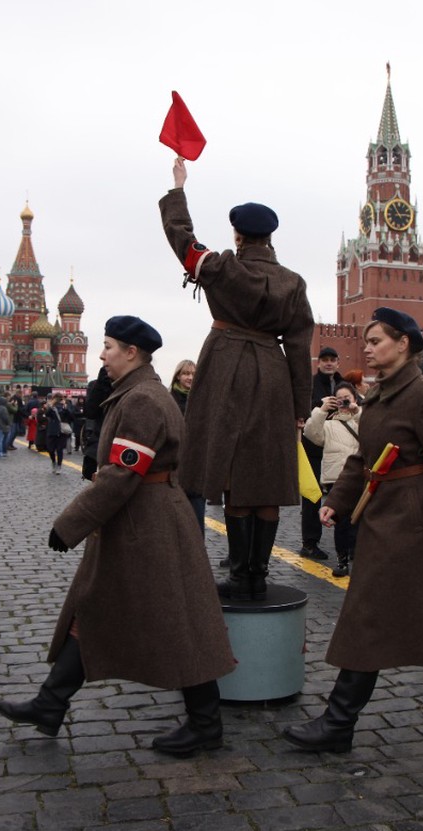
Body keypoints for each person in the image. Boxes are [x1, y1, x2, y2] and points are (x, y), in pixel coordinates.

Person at [0, 316, 236, 756]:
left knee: (174, 619)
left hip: (148, 525)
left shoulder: (142, 400)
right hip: (138, 522)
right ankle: (50, 704)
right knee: (93, 608)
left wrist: (70, 523)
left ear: (131, 352)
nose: (101, 355)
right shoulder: (133, 394)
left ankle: (206, 722)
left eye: (107, 347)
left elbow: (123, 473)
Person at [282, 308, 423, 753]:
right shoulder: (380, 398)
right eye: (366, 340)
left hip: (412, 522)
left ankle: (339, 722)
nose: (367, 347)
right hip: (390, 515)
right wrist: (336, 503)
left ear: (404, 343)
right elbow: (364, 459)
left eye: (377, 340)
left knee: (368, 614)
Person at [160, 156, 315, 600]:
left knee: (229, 470)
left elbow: (181, 239)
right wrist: (299, 409)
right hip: (271, 373)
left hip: (225, 366)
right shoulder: (293, 282)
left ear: (238, 235)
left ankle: (238, 572)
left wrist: (178, 188)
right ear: (270, 237)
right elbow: (300, 346)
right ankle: (257, 574)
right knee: (264, 474)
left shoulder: (221, 266)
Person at [302, 381, 362, 577]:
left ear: (354, 399)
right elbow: (311, 433)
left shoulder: (361, 422)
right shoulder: (327, 425)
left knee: (360, 522)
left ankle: (359, 558)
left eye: (348, 399)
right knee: (341, 524)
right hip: (338, 481)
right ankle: (342, 560)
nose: (344, 402)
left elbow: (375, 430)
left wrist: (357, 410)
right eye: (339, 399)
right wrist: (321, 409)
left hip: (361, 479)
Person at [301, 347, 343, 560]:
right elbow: (303, 410)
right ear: (318, 363)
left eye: (332, 360)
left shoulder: (344, 385)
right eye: (325, 360)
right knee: (312, 495)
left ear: (338, 362)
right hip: (313, 448)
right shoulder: (310, 384)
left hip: (338, 449)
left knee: (342, 495)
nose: (328, 363)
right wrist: (321, 405)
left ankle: (346, 544)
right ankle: (309, 543)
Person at [170, 359, 206, 529]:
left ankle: (198, 551)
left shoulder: (203, 399)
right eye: (186, 373)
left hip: (197, 465)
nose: (190, 377)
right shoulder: (170, 399)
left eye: (193, 374)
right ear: (178, 376)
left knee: (197, 518)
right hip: (175, 464)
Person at [79, 367, 111, 481]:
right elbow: (90, 412)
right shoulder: (98, 383)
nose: (103, 355)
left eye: (109, 348)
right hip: (98, 449)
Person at [43, 393, 71, 474]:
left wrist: (65, 408)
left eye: (60, 398)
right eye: (56, 398)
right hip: (52, 430)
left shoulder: (64, 407)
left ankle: (59, 465)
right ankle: (53, 461)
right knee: (50, 449)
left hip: (61, 431)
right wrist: (50, 406)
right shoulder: (51, 407)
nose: (58, 400)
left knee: (59, 450)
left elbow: (70, 417)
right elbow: (47, 414)